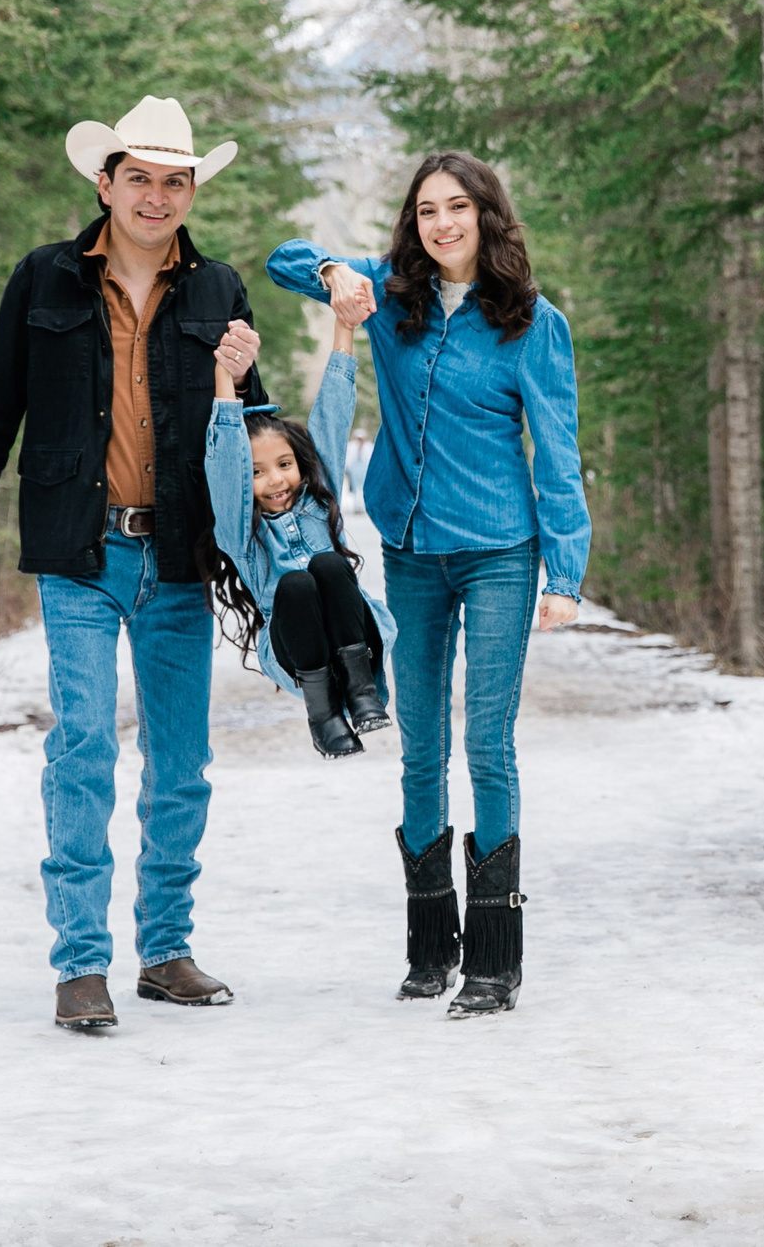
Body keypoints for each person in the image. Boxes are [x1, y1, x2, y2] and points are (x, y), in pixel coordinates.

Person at [0, 95, 269, 1034]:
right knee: (81, 748)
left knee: (182, 762)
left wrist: (242, 381)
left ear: (193, 189)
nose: (157, 197)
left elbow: (255, 444)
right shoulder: (44, 279)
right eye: (140, 178)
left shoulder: (219, 290)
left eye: (175, 181)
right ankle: (81, 962)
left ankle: (165, 950)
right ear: (104, 182)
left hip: (180, 556)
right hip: (79, 552)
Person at [269, 151, 588, 1018]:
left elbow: (557, 453)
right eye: (426, 210)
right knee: (419, 746)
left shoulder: (531, 321)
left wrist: (566, 571)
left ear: (487, 215)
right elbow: (283, 258)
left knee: (486, 741)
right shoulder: (389, 297)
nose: (442, 223)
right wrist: (335, 271)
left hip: (498, 552)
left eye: (458, 207)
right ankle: (426, 947)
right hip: (409, 549)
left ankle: (493, 957)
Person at [200, 313, 399, 759]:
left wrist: (345, 327)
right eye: (257, 472)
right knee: (295, 583)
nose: (275, 480)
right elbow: (225, 465)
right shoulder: (242, 534)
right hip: (297, 650)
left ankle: (362, 688)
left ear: (301, 465)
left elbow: (332, 412)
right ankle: (323, 713)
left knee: (328, 564)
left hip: (355, 633)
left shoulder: (318, 500)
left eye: (284, 465)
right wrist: (223, 380)